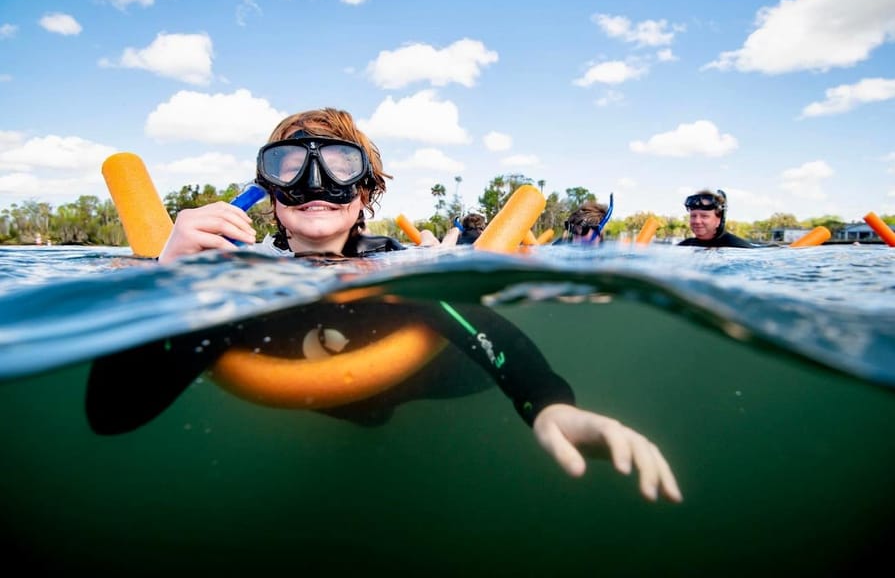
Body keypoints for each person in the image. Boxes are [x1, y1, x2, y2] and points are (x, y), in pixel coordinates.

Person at [157, 108, 682, 503]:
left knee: (447, 365)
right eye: (291, 166)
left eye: (339, 165)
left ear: (364, 193)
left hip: (423, 378)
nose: (315, 183)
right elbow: (113, 414)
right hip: (340, 402)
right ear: (270, 193)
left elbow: (481, 326)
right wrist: (170, 283)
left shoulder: (400, 267)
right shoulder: (229, 279)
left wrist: (547, 403)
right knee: (365, 416)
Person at [678, 189, 754, 248]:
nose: (697, 221)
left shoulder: (739, 248)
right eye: (693, 216)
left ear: (719, 219)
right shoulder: (685, 246)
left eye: (704, 216)